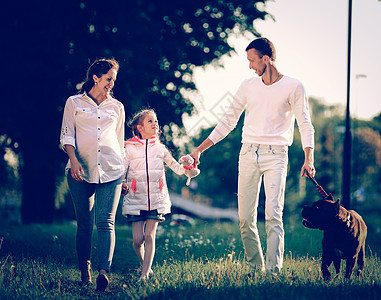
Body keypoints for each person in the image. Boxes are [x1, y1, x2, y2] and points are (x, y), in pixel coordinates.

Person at [190, 38, 315, 275]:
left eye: (252, 60)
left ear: (266, 59)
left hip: (276, 155)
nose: (250, 66)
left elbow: (305, 124)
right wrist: (199, 150)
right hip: (247, 152)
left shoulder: (293, 86)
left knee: (273, 215)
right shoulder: (248, 85)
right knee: (245, 218)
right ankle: (255, 267)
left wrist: (309, 158)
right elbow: (228, 121)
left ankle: (273, 271)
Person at [60, 58, 126, 291]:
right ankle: (84, 272)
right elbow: (67, 135)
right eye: (108, 79)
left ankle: (103, 272)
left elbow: (120, 143)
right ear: (95, 77)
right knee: (85, 224)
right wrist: (74, 160)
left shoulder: (116, 107)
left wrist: (124, 175)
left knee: (106, 221)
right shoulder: (74, 102)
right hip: (80, 170)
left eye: (114, 80)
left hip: (112, 170)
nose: (111, 84)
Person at [121, 109, 198, 280]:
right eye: (150, 121)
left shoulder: (161, 148)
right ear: (139, 127)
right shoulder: (130, 148)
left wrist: (188, 170)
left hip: (156, 198)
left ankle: (144, 275)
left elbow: (176, 167)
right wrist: (122, 182)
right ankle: (144, 264)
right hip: (135, 198)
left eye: (156, 121)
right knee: (137, 240)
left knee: (149, 235)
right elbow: (121, 168)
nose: (155, 123)